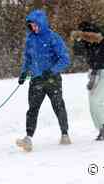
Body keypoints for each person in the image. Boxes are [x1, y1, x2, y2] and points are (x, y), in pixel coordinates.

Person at [16, 9, 71, 152]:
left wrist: (52, 71)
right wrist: (24, 74)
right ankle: (28, 138)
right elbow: (28, 59)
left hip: (52, 80)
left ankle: (64, 134)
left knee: (58, 106)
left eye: (35, 25)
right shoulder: (30, 40)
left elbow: (65, 59)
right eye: (30, 25)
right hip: (36, 80)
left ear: (41, 23)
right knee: (32, 109)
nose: (33, 28)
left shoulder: (53, 38)